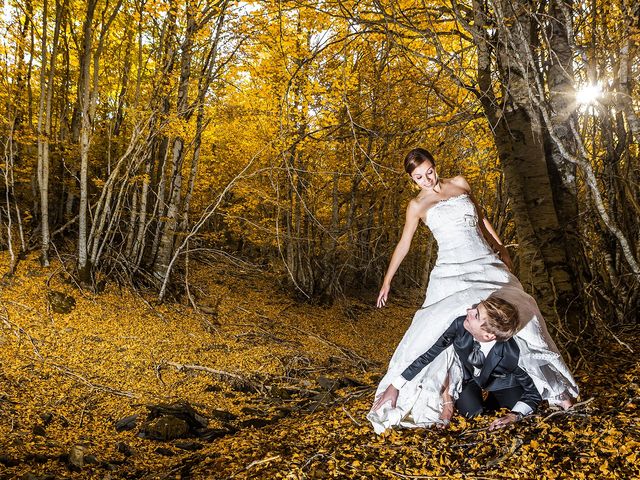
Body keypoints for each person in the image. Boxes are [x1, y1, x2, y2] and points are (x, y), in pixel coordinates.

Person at [367, 147, 578, 434]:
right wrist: (387, 280)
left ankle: (556, 390)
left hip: (484, 262)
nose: (426, 179)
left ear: (434, 165)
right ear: (412, 179)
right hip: (451, 269)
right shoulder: (416, 205)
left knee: (522, 310)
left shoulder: (461, 184)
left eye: (429, 171)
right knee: (436, 326)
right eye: (418, 177)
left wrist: (501, 248)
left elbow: (480, 220)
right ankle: (440, 399)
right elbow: (404, 244)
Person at [372, 295, 542, 430]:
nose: (468, 310)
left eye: (475, 315)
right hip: (468, 378)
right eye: (475, 308)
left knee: (513, 407)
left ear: (489, 336)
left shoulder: (511, 354)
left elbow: (533, 392)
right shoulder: (460, 325)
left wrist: (514, 415)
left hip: (501, 382)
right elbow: (428, 355)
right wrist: (395, 385)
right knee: (472, 412)